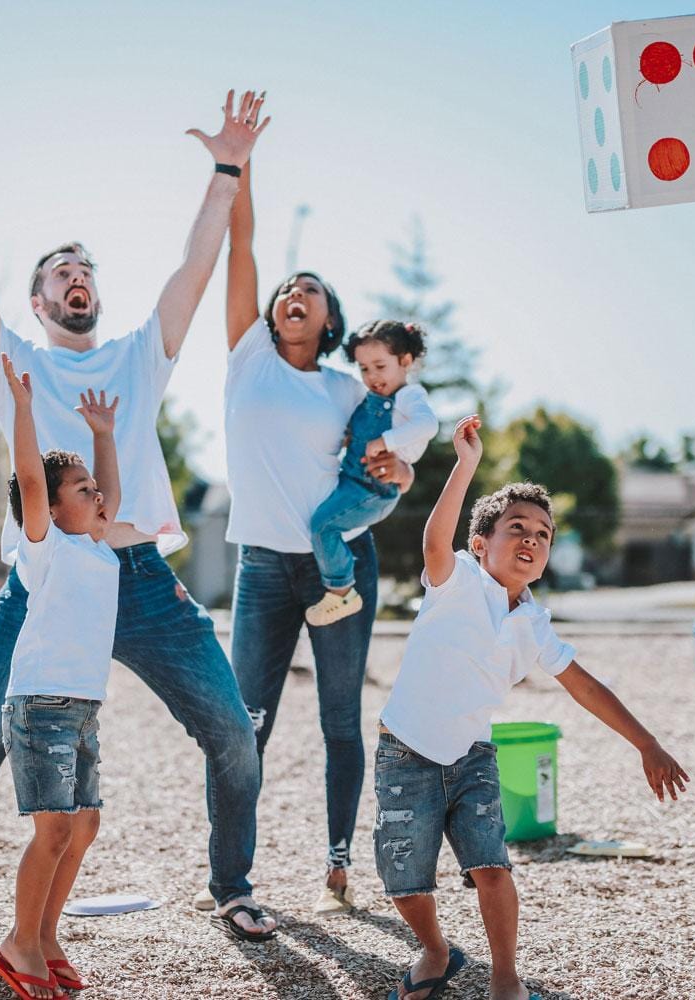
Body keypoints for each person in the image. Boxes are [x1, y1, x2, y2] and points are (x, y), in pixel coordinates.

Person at [0, 81, 278, 948]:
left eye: (86, 271)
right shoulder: (15, 362)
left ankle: (235, 886)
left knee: (233, 734)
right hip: (43, 576)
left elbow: (194, 269)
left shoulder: (141, 356)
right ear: (37, 302)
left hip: (137, 574)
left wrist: (226, 170)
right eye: (60, 273)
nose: (77, 279)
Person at [375, 415, 690, 1000]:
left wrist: (646, 743)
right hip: (405, 751)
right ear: (481, 544)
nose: (530, 539)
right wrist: (466, 465)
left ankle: (505, 980)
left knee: (493, 868)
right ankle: (436, 950)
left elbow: (586, 687)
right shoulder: (456, 580)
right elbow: (433, 542)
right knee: (406, 882)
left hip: (471, 757)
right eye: (515, 527)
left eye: (542, 534)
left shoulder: (536, 624)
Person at [220, 148, 416, 917]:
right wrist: (237, 167)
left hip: (342, 571)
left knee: (341, 722)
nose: (293, 295)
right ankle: (233, 885)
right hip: (264, 570)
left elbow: (388, 463)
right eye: (285, 291)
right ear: (272, 314)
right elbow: (243, 247)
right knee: (245, 728)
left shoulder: (347, 388)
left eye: (311, 292)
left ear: (330, 319)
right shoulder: (246, 360)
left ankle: (338, 861)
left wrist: (397, 475)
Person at [0, 357, 119, 999]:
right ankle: (19, 941)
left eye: (95, 488)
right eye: (83, 490)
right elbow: (33, 483)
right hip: (39, 705)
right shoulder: (46, 548)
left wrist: (103, 435)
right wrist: (21, 408)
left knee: (85, 824)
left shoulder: (97, 546)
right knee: (55, 829)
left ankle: (45, 934)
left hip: (82, 708)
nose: (97, 495)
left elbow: (109, 494)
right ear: (50, 507)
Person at [305, 320, 438, 627]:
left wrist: (385, 441)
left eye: (380, 366)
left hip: (373, 490)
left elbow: (428, 425)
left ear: (405, 361)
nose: (372, 377)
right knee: (323, 523)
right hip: (354, 480)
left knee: (323, 527)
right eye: (364, 369)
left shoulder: (409, 396)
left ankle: (341, 591)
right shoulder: (373, 398)